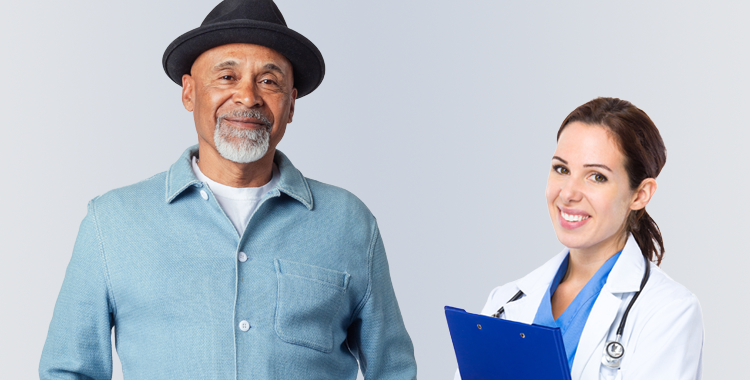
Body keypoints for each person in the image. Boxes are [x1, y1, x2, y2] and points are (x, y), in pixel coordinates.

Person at [39, 1, 417, 379]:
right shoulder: (112, 222)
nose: (248, 97)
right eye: (226, 77)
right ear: (188, 92)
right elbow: (69, 370)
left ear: (290, 106)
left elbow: (393, 370)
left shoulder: (349, 222)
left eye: (269, 81)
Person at [455, 97, 703, 380]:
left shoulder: (668, 312)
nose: (569, 193)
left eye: (596, 176)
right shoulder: (504, 302)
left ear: (640, 194)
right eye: (561, 169)